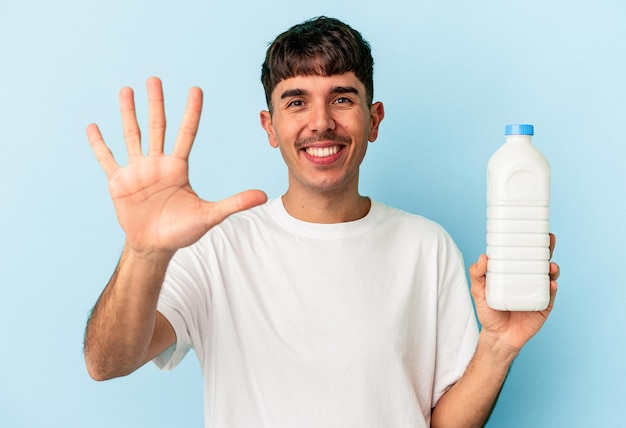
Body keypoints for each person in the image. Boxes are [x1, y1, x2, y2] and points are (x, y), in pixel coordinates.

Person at [84, 16, 560, 427]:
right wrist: (143, 252)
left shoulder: (426, 247)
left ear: (373, 119)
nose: (320, 122)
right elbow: (107, 362)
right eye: (296, 101)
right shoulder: (217, 247)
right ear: (269, 127)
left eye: (341, 98)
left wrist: (498, 344)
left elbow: (444, 423)